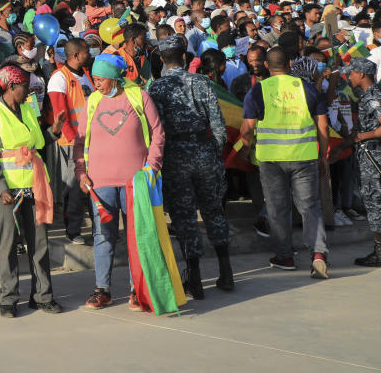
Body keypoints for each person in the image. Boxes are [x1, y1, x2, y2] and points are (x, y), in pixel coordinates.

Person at [75, 53, 165, 310]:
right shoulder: (92, 101)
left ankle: (137, 288)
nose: (97, 83)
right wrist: (81, 172)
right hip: (100, 183)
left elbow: (158, 132)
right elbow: (80, 141)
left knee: (137, 237)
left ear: (115, 78)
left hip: (135, 181)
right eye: (94, 78)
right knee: (103, 236)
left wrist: (152, 167)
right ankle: (102, 289)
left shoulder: (139, 97)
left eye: (101, 79)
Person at [147, 35, 233, 299]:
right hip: (204, 151)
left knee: (185, 218)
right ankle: (226, 272)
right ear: (184, 57)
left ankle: (194, 279)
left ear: (162, 59)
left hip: (175, 156)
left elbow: (156, 130)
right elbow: (218, 126)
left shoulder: (156, 88)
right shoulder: (203, 82)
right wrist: (213, 153)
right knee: (213, 211)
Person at [0, 64, 65, 318]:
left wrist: (54, 131)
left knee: (39, 243)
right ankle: (8, 299)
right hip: (8, 190)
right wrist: (1, 187)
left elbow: (37, 143)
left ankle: (42, 296)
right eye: (26, 86)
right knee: (7, 246)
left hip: (35, 184)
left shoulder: (28, 108)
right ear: (12, 86)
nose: (29, 91)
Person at [239, 47, 330, 279]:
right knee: (310, 207)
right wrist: (322, 157)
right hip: (304, 156)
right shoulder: (308, 88)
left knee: (278, 208)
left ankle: (285, 257)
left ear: (267, 66)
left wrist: (244, 150)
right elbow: (323, 126)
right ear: (290, 64)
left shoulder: (257, 91)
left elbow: (247, 129)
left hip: (271, 160)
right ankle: (318, 254)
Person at [45, 38, 94, 243]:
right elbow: (60, 114)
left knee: (93, 186)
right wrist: (75, 141)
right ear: (75, 56)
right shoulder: (59, 78)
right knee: (74, 188)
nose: (89, 55)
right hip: (72, 143)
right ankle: (73, 231)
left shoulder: (87, 76)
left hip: (92, 140)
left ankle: (98, 229)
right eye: (86, 52)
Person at [343, 57, 381, 267]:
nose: (349, 76)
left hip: (375, 160)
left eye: (352, 73)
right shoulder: (368, 95)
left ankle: (380, 253)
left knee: (375, 206)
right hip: (370, 158)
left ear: (362, 74)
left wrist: (362, 137)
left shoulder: (373, 97)